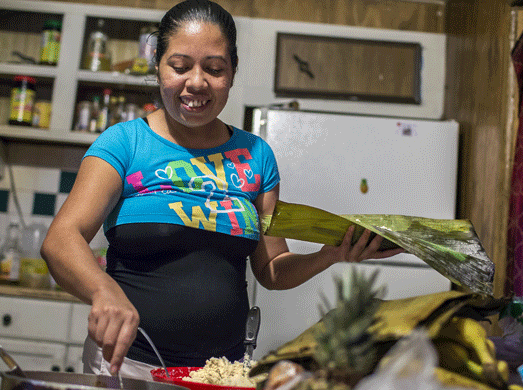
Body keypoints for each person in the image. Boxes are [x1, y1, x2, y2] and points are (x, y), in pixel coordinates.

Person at [40, 0, 403, 381]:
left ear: (231, 73)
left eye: (214, 69)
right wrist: (103, 291)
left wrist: (329, 255)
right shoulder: (125, 143)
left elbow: (272, 269)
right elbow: (62, 239)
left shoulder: (255, 155)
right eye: (180, 67)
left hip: (220, 374)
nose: (196, 82)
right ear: (159, 67)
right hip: (127, 364)